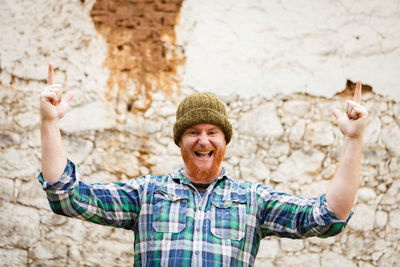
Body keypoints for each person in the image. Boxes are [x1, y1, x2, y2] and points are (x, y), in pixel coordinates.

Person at [38, 64, 368, 266]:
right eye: (193, 132)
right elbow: (67, 197)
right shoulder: (147, 194)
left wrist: (353, 141)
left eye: (213, 132)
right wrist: (49, 122)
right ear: (180, 141)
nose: (203, 140)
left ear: (224, 141)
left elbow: (327, 218)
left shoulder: (252, 200)